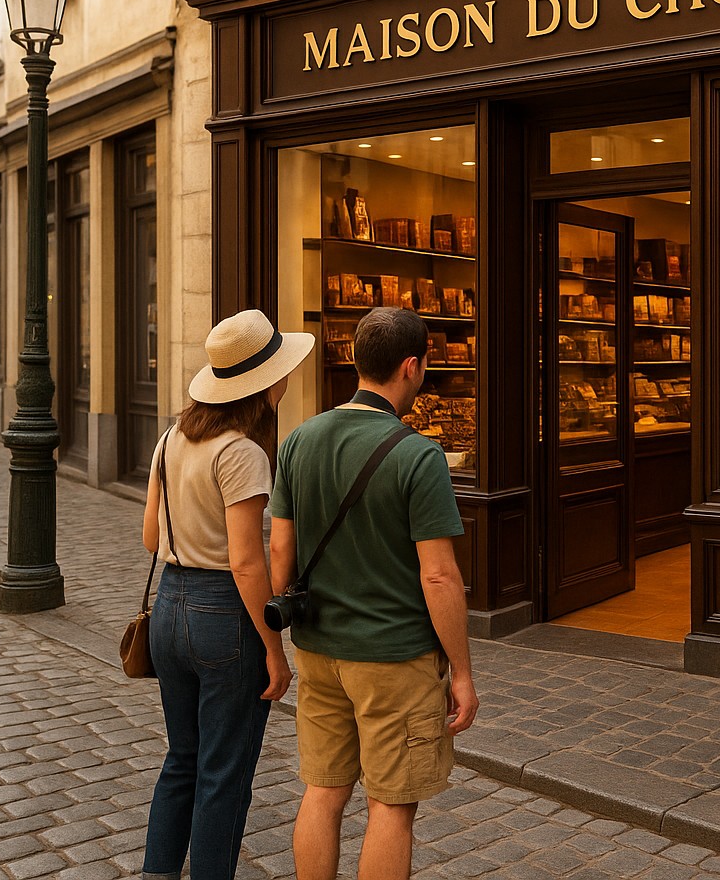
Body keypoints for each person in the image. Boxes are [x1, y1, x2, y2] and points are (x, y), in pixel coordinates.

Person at [270, 307, 478, 880]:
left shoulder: (299, 440)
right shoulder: (417, 455)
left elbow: (279, 556)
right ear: (411, 366)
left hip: (317, 651)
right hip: (393, 658)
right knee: (391, 806)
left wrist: (275, 640)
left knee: (323, 793)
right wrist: (461, 671)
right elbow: (438, 576)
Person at [140, 309, 314, 880]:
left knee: (182, 760)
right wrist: (273, 648)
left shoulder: (171, 439)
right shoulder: (242, 452)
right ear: (263, 383)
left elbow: (149, 537)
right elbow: (245, 561)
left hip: (169, 606)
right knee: (224, 770)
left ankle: (159, 872)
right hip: (222, 616)